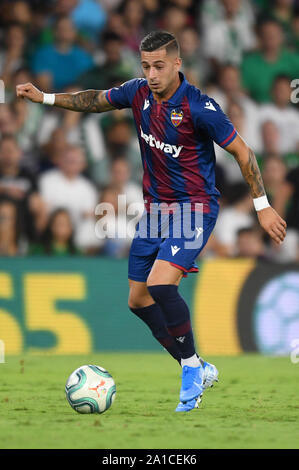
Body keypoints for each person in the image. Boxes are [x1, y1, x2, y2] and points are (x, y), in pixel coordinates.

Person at [16, 30, 287, 413]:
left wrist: (262, 205)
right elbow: (94, 101)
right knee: (137, 298)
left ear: (178, 63)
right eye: (145, 66)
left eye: (159, 65)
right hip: (157, 211)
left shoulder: (199, 107)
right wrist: (44, 97)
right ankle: (195, 365)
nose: (152, 73)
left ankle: (191, 369)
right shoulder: (138, 92)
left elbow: (243, 152)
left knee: (160, 284)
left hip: (195, 207)